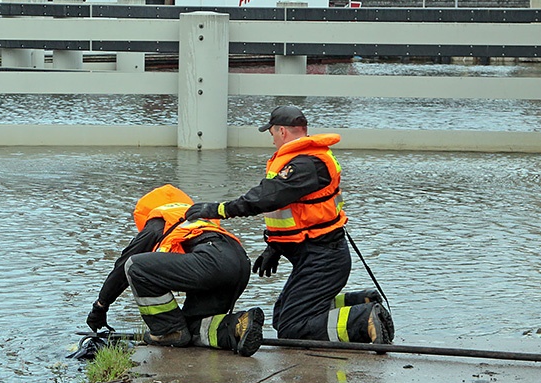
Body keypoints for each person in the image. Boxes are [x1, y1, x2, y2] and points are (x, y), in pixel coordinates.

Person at [185, 105, 395, 345]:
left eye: (272, 133)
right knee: (281, 315)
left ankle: (362, 318)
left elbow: (266, 198)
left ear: (282, 131)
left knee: (292, 328)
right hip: (317, 254)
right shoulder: (305, 159)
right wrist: (275, 247)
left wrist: (218, 210)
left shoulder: (305, 164)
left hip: (324, 258)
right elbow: (300, 212)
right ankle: (361, 302)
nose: (272, 139)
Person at [86, 184, 265, 357]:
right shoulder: (197, 220)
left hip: (212, 263)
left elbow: (122, 268)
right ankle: (240, 326)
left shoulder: (158, 222)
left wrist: (100, 306)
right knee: (192, 327)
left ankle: (168, 331)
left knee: (135, 266)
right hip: (240, 264)